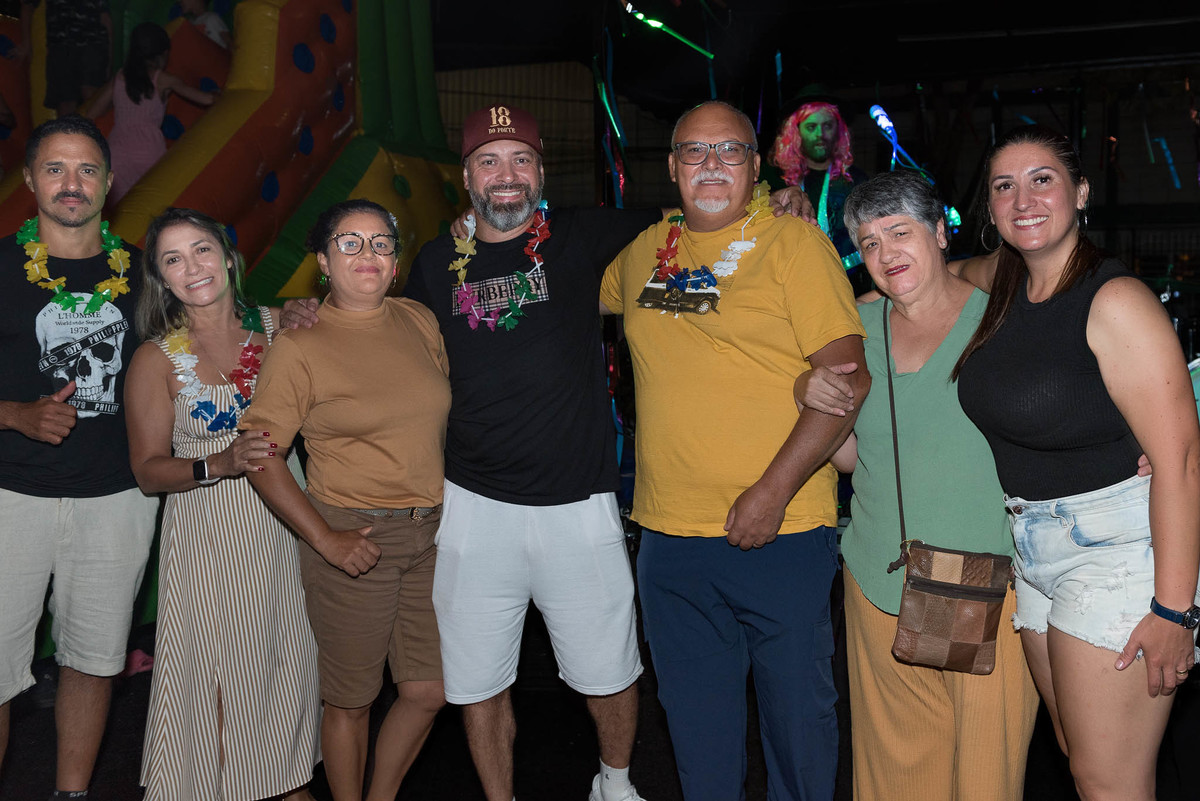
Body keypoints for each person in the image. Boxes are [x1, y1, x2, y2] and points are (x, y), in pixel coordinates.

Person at [599, 100, 869, 801]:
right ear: (672, 167)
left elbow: (847, 378)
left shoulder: (793, 243)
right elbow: (559, 287)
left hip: (781, 532)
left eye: (729, 151)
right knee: (699, 740)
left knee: (798, 734)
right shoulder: (643, 253)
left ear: (754, 164)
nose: (712, 164)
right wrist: (473, 232)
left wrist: (772, 492)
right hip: (669, 542)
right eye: (695, 151)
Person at [956, 125, 1200, 800]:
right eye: (1004, 186)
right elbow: (934, 273)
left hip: (1117, 550)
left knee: (1108, 780)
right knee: (1079, 757)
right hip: (1034, 549)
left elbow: (1181, 461)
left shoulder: (1115, 301)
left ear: (1081, 191)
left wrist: (1174, 611)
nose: (1023, 200)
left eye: (1043, 180)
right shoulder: (1005, 279)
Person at [795, 169, 1040, 800]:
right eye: (870, 243)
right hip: (883, 580)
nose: (886, 254)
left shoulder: (1002, 321)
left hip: (988, 585)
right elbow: (850, 458)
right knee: (895, 778)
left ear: (938, 232)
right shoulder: (855, 330)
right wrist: (810, 395)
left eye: (900, 232)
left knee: (985, 777)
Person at [241, 199, 450, 801]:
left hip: (431, 534)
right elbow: (260, 455)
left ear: (396, 261)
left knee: (428, 690)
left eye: (381, 243)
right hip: (354, 536)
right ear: (324, 262)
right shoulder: (299, 345)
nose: (368, 254)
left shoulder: (418, 320)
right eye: (350, 243)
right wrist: (325, 539)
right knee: (351, 700)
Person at [124, 207, 321, 800]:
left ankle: (286, 781)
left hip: (289, 531)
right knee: (216, 678)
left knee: (287, 670)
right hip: (209, 537)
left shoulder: (283, 328)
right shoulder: (155, 359)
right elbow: (148, 471)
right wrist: (218, 463)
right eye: (173, 259)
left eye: (202, 249)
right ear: (162, 278)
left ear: (229, 257)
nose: (193, 267)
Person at [0, 115, 158, 799]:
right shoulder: (1, 267)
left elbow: (215, 326)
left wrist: (290, 317)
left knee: (94, 661)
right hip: (9, 497)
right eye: (56, 168)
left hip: (116, 499)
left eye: (87, 169)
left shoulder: (146, 272)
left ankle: (72, 794)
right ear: (30, 179)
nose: (72, 183)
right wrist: (15, 415)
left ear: (109, 182)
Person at [87, 22, 217, 205]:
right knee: (152, 209)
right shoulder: (163, 80)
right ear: (163, 53)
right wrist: (220, 94)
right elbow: (206, 100)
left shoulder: (120, 77)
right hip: (149, 152)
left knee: (122, 212)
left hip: (117, 153)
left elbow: (92, 113)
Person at [769, 98, 869, 284]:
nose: (820, 134)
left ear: (838, 131)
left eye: (827, 126)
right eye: (811, 127)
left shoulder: (857, 182)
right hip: (788, 282)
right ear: (797, 132)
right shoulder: (775, 182)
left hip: (848, 283)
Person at [18, 0, 112, 117]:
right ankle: (67, 128)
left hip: (92, 43)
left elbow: (105, 18)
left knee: (91, 94)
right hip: (60, 46)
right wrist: (26, 44)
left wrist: (110, 57)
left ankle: (94, 127)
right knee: (65, 101)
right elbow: (27, 6)